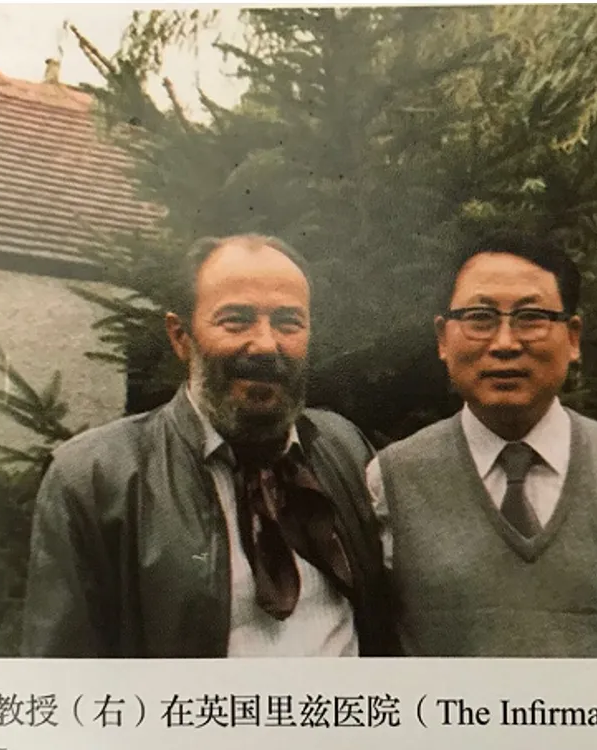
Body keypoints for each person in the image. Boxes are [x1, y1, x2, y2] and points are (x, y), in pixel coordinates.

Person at [367, 230, 597, 657]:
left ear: (573, 337)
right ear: (442, 339)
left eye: (531, 318)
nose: (505, 344)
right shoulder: (390, 483)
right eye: (479, 318)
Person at [22, 234, 397, 657]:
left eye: (288, 322)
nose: (266, 344)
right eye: (236, 320)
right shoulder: (93, 479)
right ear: (181, 337)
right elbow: (64, 674)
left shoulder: (343, 448)